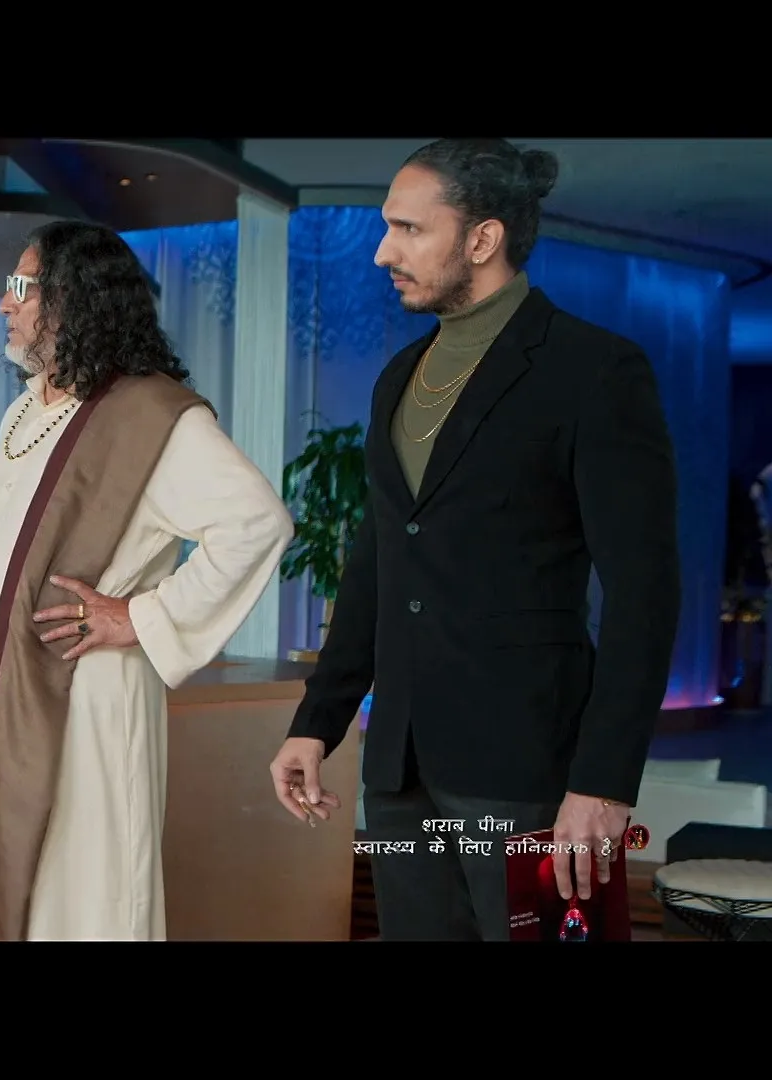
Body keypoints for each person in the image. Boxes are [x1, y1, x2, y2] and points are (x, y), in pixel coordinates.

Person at [268, 138, 681, 940]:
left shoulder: (596, 370)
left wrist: (603, 783)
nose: (383, 252)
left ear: (483, 238)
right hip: (401, 767)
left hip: (528, 768)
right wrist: (318, 720)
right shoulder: (399, 376)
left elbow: (645, 593)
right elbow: (378, 561)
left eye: (408, 229)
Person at [0, 221, 294, 941]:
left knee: (85, 893)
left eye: (22, 287)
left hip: (87, 693)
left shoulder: (148, 416)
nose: (4, 303)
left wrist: (141, 618)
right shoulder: (27, 407)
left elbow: (257, 523)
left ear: (74, 298)